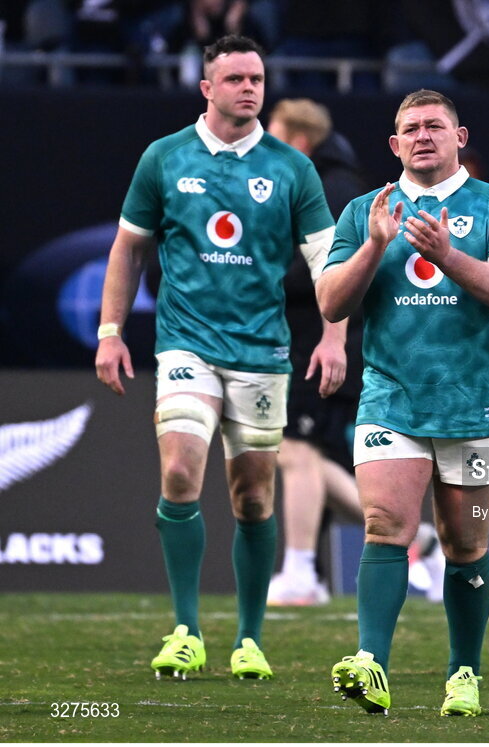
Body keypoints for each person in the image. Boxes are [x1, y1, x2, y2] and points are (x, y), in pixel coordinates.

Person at [94, 34, 340, 682]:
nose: (249, 88)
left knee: (254, 495)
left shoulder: (292, 168)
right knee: (179, 471)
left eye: (256, 78)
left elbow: (328, 264)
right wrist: (110, 330)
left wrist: (335, 335)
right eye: (235, 78)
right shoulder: (164, 158)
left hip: (261, 349)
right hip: (186, 343)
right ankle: (186, 628)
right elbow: (128, 248)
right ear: (207, 88)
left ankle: (250, 636)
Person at [316, 89, 489, 717]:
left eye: (434, 126)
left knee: (465, 544)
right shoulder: (366, 210)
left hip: (472, 400)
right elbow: (331, 302)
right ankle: (371, 664)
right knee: (385, 524)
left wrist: (447, 256)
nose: (422, 136)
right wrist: (372, 246)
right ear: (394, 145)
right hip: (392, 395)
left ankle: (463, 672)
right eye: (409, 128)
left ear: (459, 136)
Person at [263, 98, 367, 607]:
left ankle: (301, 571)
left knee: (296, 451)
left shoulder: (332, 191)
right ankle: (416, 539)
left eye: (274, 135)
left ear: (299, 142)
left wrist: (255, 276)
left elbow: (328, 274)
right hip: (307, 340)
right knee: (303, 454)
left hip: (320, 342)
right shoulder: (320, 184)